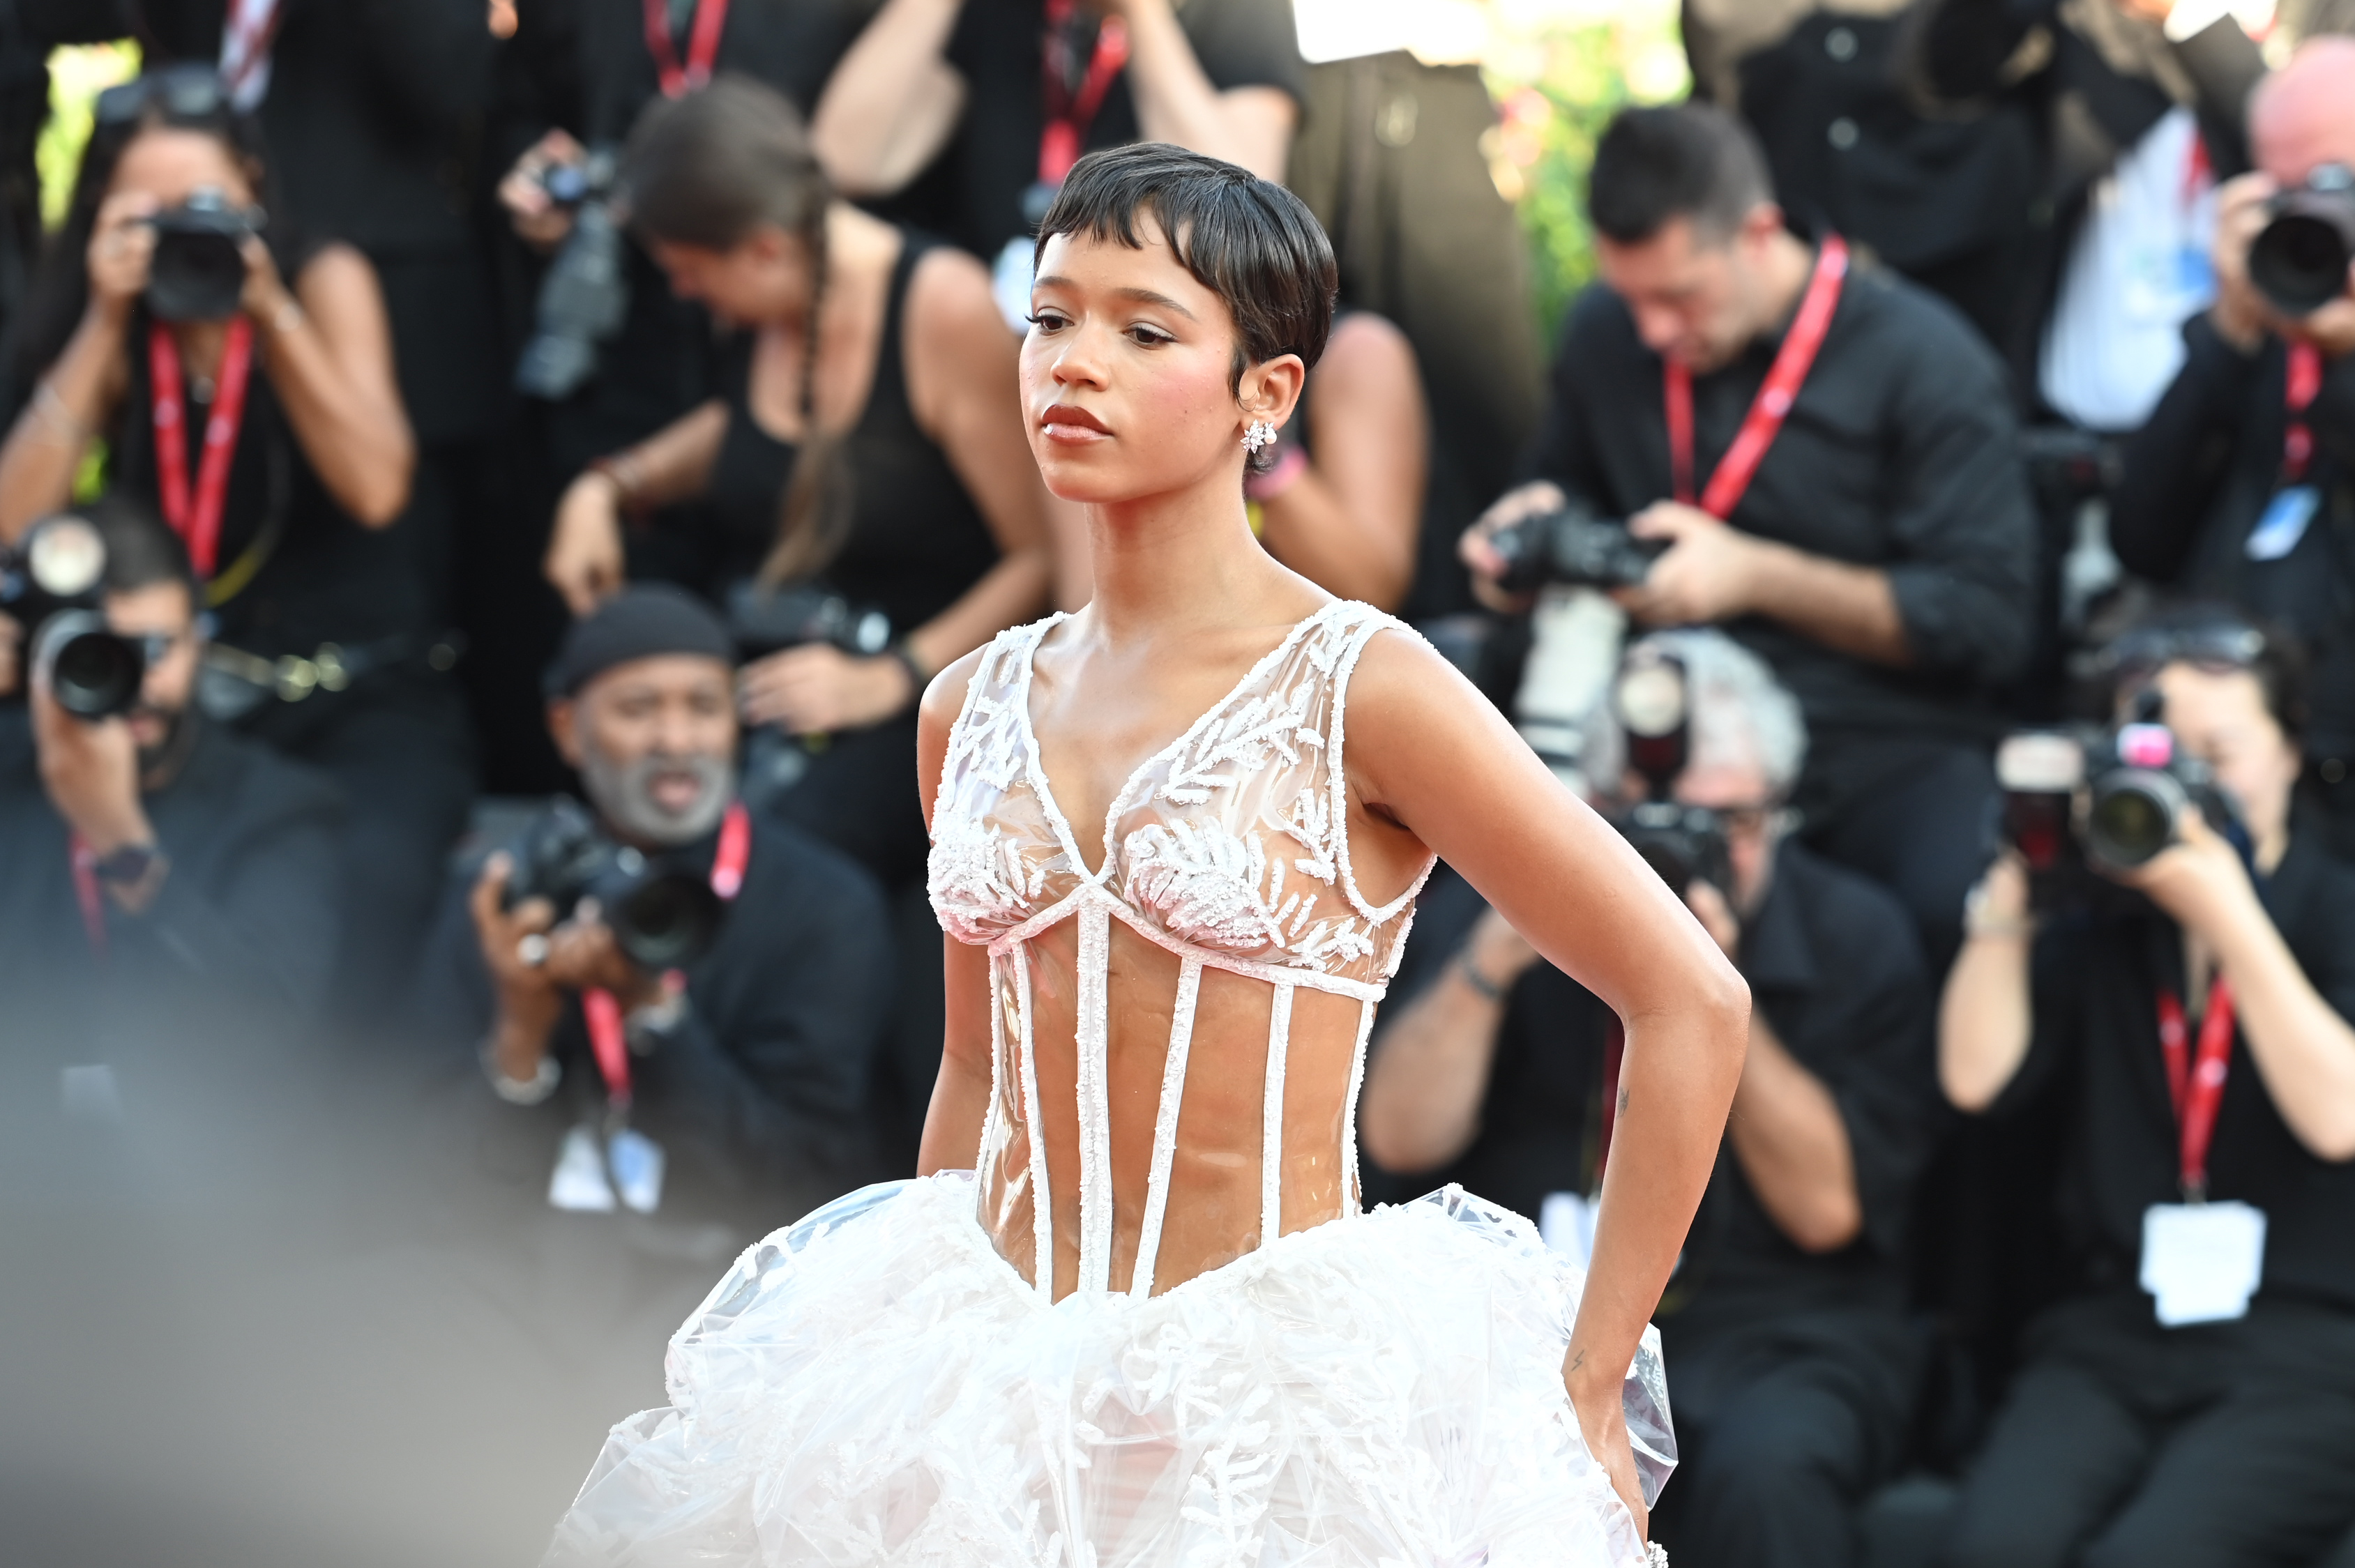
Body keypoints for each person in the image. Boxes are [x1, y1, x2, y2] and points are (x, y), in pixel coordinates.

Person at [536, 144, 1749, 1566]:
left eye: (1142, 327)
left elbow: (1689, 1001)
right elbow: (977, 1067)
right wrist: (907, 1362)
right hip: (983, 1385)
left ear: (1265, 393)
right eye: (1049, 318)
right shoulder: (964, 705)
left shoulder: (1361, 683)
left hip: (1272, 1408)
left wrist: (1590, 1379)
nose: (1072, 362)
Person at [1361, 630, 1941, 1568]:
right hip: (1537, 1316)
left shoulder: (1852, 933)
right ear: (1592, 810)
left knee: (1770, 1471)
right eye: (1650, 821)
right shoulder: (1511, 909)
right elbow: (1398, 1134)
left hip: (1774, 1325)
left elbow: (1827, 1209)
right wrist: (1499, 955)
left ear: (1777, 813)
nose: (1684, 850)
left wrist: (1709, 992)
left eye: (1726, 826)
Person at [1463, 102, 2037, 973]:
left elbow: (1986, 620)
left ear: (1759, 234)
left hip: (1870, 735)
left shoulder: (1923, 361)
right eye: (1631, 298)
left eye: (1678, 296)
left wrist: (1757, 578)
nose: (1653, 331)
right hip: (1648, 727)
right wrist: (1516, 544)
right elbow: (1559, 490)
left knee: (1950, 905)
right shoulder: (1604, 335)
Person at [0, 65, 465, 1019]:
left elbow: (379, 489)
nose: (179, 231)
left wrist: (267, 310)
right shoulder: (91, 308)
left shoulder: (322, 277)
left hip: (344, 692)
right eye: (147, 209)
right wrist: (104, 322)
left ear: (256, 191)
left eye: (202, 203)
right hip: (160, 692)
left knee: (360, 886)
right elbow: (12, 527)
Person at [543, 78, 1054, 892]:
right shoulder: (773, 307)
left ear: (765, 250)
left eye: (687, 271)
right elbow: (749, 433)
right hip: (778, 648)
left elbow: (1038, 557)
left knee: (777, 853)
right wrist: (605, 487)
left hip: (925, 679)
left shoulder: (942, 310)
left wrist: (891, 675)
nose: (682, 291)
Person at [1937, 610, 2355, 1568]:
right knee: (1990, 1544)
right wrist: (2017, 880)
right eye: (2161, 756)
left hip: (2305, 1343)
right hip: (2117, 1324)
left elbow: (2338, 1119)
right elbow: (1974, 1077)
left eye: (2221, 751)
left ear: (2292, 751)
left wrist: (2225, 910)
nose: (2189, 785)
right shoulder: (2101, 924)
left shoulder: (2334, 909)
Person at [418, 585, 896, 1229]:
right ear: (567, 729)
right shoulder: (505, 897)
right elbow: (417, 1183)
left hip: (731, 1282)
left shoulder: (826, 908)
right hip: (517, 1268)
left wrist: (652, 1015)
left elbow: (810, 1186)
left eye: (704, 707)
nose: (675, 739)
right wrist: (521, 1034)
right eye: (638, 709)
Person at [2111, 40, 2355, 863]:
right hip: (2243, 770)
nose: (2316, 218)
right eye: (2285, 192)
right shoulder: (2261, 338)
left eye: (2338, 187)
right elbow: (2140, 534)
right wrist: (2226, 333)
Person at [0, 494, 342, 1050]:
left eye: (155, 649)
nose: (134, 684)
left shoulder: (278, 809)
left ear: (199, 642)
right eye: (101, 652)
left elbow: (270, 1038)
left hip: (179, 1131)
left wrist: (121, 844)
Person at [812, 0, 1304, 325]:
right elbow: (848, 158)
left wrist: (1140, 15)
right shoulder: (1001, 12)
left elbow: (1241, 196)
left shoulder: (1235, 12)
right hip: (994, 320)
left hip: (1146, 315)